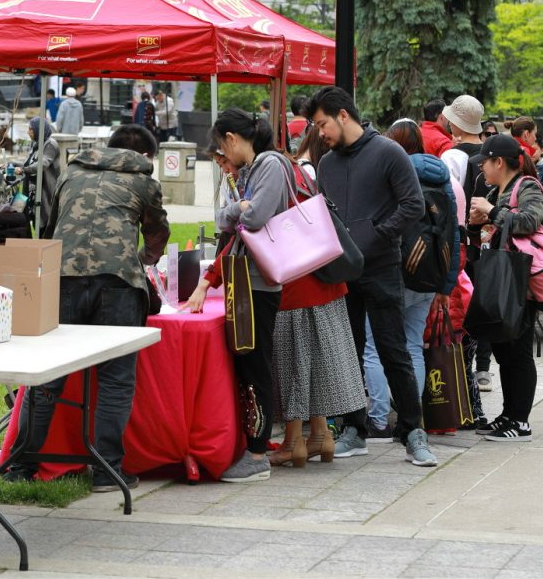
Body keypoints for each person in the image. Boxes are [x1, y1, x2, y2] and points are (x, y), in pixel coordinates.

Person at [6, 125, 169, 490]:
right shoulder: (144, 181)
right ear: (145, 156)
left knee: (47, 378)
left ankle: (20, 467)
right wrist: (144, 259)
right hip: (119, 283)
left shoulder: (70, 173)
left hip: (64, 278)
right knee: (115, 380)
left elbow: (49, 229)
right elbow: (157, 232)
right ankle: (108, 471)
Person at [307, 87, 436, 467]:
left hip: (382, 267)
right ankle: (354, 429)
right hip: (342, 274)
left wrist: (377, 235)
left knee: (393, 350)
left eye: (322, 124)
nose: (319, 133)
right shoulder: (327, 164)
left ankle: (413, 431)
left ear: (343, 115)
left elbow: (413, 205)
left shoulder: (388, 152)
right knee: (347, 353)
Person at [187, 109, 290, 482]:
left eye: (221, 147)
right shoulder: (253, 170)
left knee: (256, 365)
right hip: (246, 280)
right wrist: (237, 210)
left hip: (259, 283)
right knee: (248, 364)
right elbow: (232, 219)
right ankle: (252, 445)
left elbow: (255, 216)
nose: (223, 157)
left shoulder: (270, 165)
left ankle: (257, 453)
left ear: (231, 138)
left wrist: (235, 211)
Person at [266, 125, 365, 467]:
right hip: (325, 281)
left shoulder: (275, 173)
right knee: (314, 366)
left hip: (296, 285)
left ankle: (293, 441)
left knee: (294, 365)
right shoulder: (303, 171)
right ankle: (321, 436)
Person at [362, 120, 460, 440]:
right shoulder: (441, 175)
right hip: (430, 274)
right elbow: (452, 233)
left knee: (374, 347)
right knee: (413, 345)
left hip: (394, 271)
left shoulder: (392, 171)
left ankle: (378, 420)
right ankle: (412, 420)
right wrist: (446, 284)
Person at [468, 134, 543, 441]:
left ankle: (521, 421)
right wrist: (476, 224)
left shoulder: (527, 186)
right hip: (501, 278)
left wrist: (491, 211)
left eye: (484, 163)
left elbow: (529, 221)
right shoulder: (494, 190)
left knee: (519, 351)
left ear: (499, 162)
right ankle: (507, 415)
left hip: (521, 281)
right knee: (503, 349)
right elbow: (490, 234)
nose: (481, 169)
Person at [439, 95, 493, 399]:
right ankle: (484, 367)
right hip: (490, 239)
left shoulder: (452, 157)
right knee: (484, 302)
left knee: (464, 303)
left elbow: (448, 201)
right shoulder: (491, 155)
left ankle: (464, 368)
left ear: (456, 124)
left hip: (463, 241)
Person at [14, 117, 60, 231]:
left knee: (45, 228)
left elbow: (42, 164)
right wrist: (12, 164)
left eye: (31, 129)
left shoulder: (50, 144)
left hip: (46, 192)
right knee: (28, 222)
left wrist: (23, 170)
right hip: (32, 193)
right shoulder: (36, 144)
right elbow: (29, 164)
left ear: (39, 130)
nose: (28, 132)